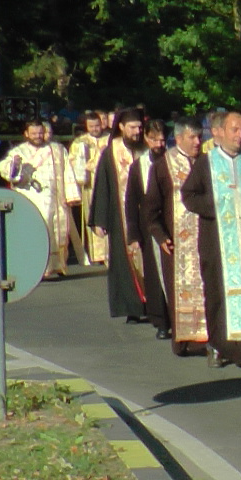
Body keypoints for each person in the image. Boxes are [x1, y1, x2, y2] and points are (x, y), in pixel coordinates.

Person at [182, 109, 241, 370]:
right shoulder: (206, 162)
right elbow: (189, 195)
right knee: (220, 296)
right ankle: (220, 346)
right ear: (220, 132)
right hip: (218, 243)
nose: (240, 135)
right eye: (234, 130)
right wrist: (219, 207)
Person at [142, 118, 209, 356]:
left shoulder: (207, 162)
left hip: (206, 239)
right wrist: (160, 236)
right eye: (192, 137)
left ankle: (211, 340)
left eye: (200, 137)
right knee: (181, 291)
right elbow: (150, 209)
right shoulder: (163, 166)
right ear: (178, 139)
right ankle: (186, 341)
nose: (197, 142)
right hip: (177, 242)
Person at [88, 106, 150, 323]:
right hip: (120, 216)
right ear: (122, 127)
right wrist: (99, 220)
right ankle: (132, 308)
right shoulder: (110, 151)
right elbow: (102, 186)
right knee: (124, 263)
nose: (137, 132)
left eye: (140, 127)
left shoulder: (146, 148)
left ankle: (153, 306)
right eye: (132, 127)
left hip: (146, 216)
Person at [0, 117, 75, 279]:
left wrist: (71, 195)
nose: (37, 136)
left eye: (40, 133)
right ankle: (36, 267)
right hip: (31, 199)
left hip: (55, 198)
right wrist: (15, 166)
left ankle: (57, 265)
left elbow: (68, 171)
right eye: (33, 133)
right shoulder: (18, 152)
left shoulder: (58, 149)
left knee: (57, 233)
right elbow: (7, 172)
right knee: (35, 234)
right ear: (26, 133)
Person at [128, 119, 171, 337]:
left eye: (162, 139)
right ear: (146, 139)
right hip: (149, 225)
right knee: (154, 275)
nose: (159, 144)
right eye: (154, 139)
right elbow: (131, 200)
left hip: (172, 222)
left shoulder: (173, 159)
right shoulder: (139, 165)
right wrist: (133, 233)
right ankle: (161, 321)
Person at [68, 111, 108, 264]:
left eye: (97, 126)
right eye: (91, 126)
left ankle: (107, 252)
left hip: (106, 182)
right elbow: (72, 164)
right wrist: (82, 161)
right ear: (86, 126)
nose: (95, 129)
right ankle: (95, 254)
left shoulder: (109, 139)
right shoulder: (79, 142)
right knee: (91, 216)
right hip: (90, 185)